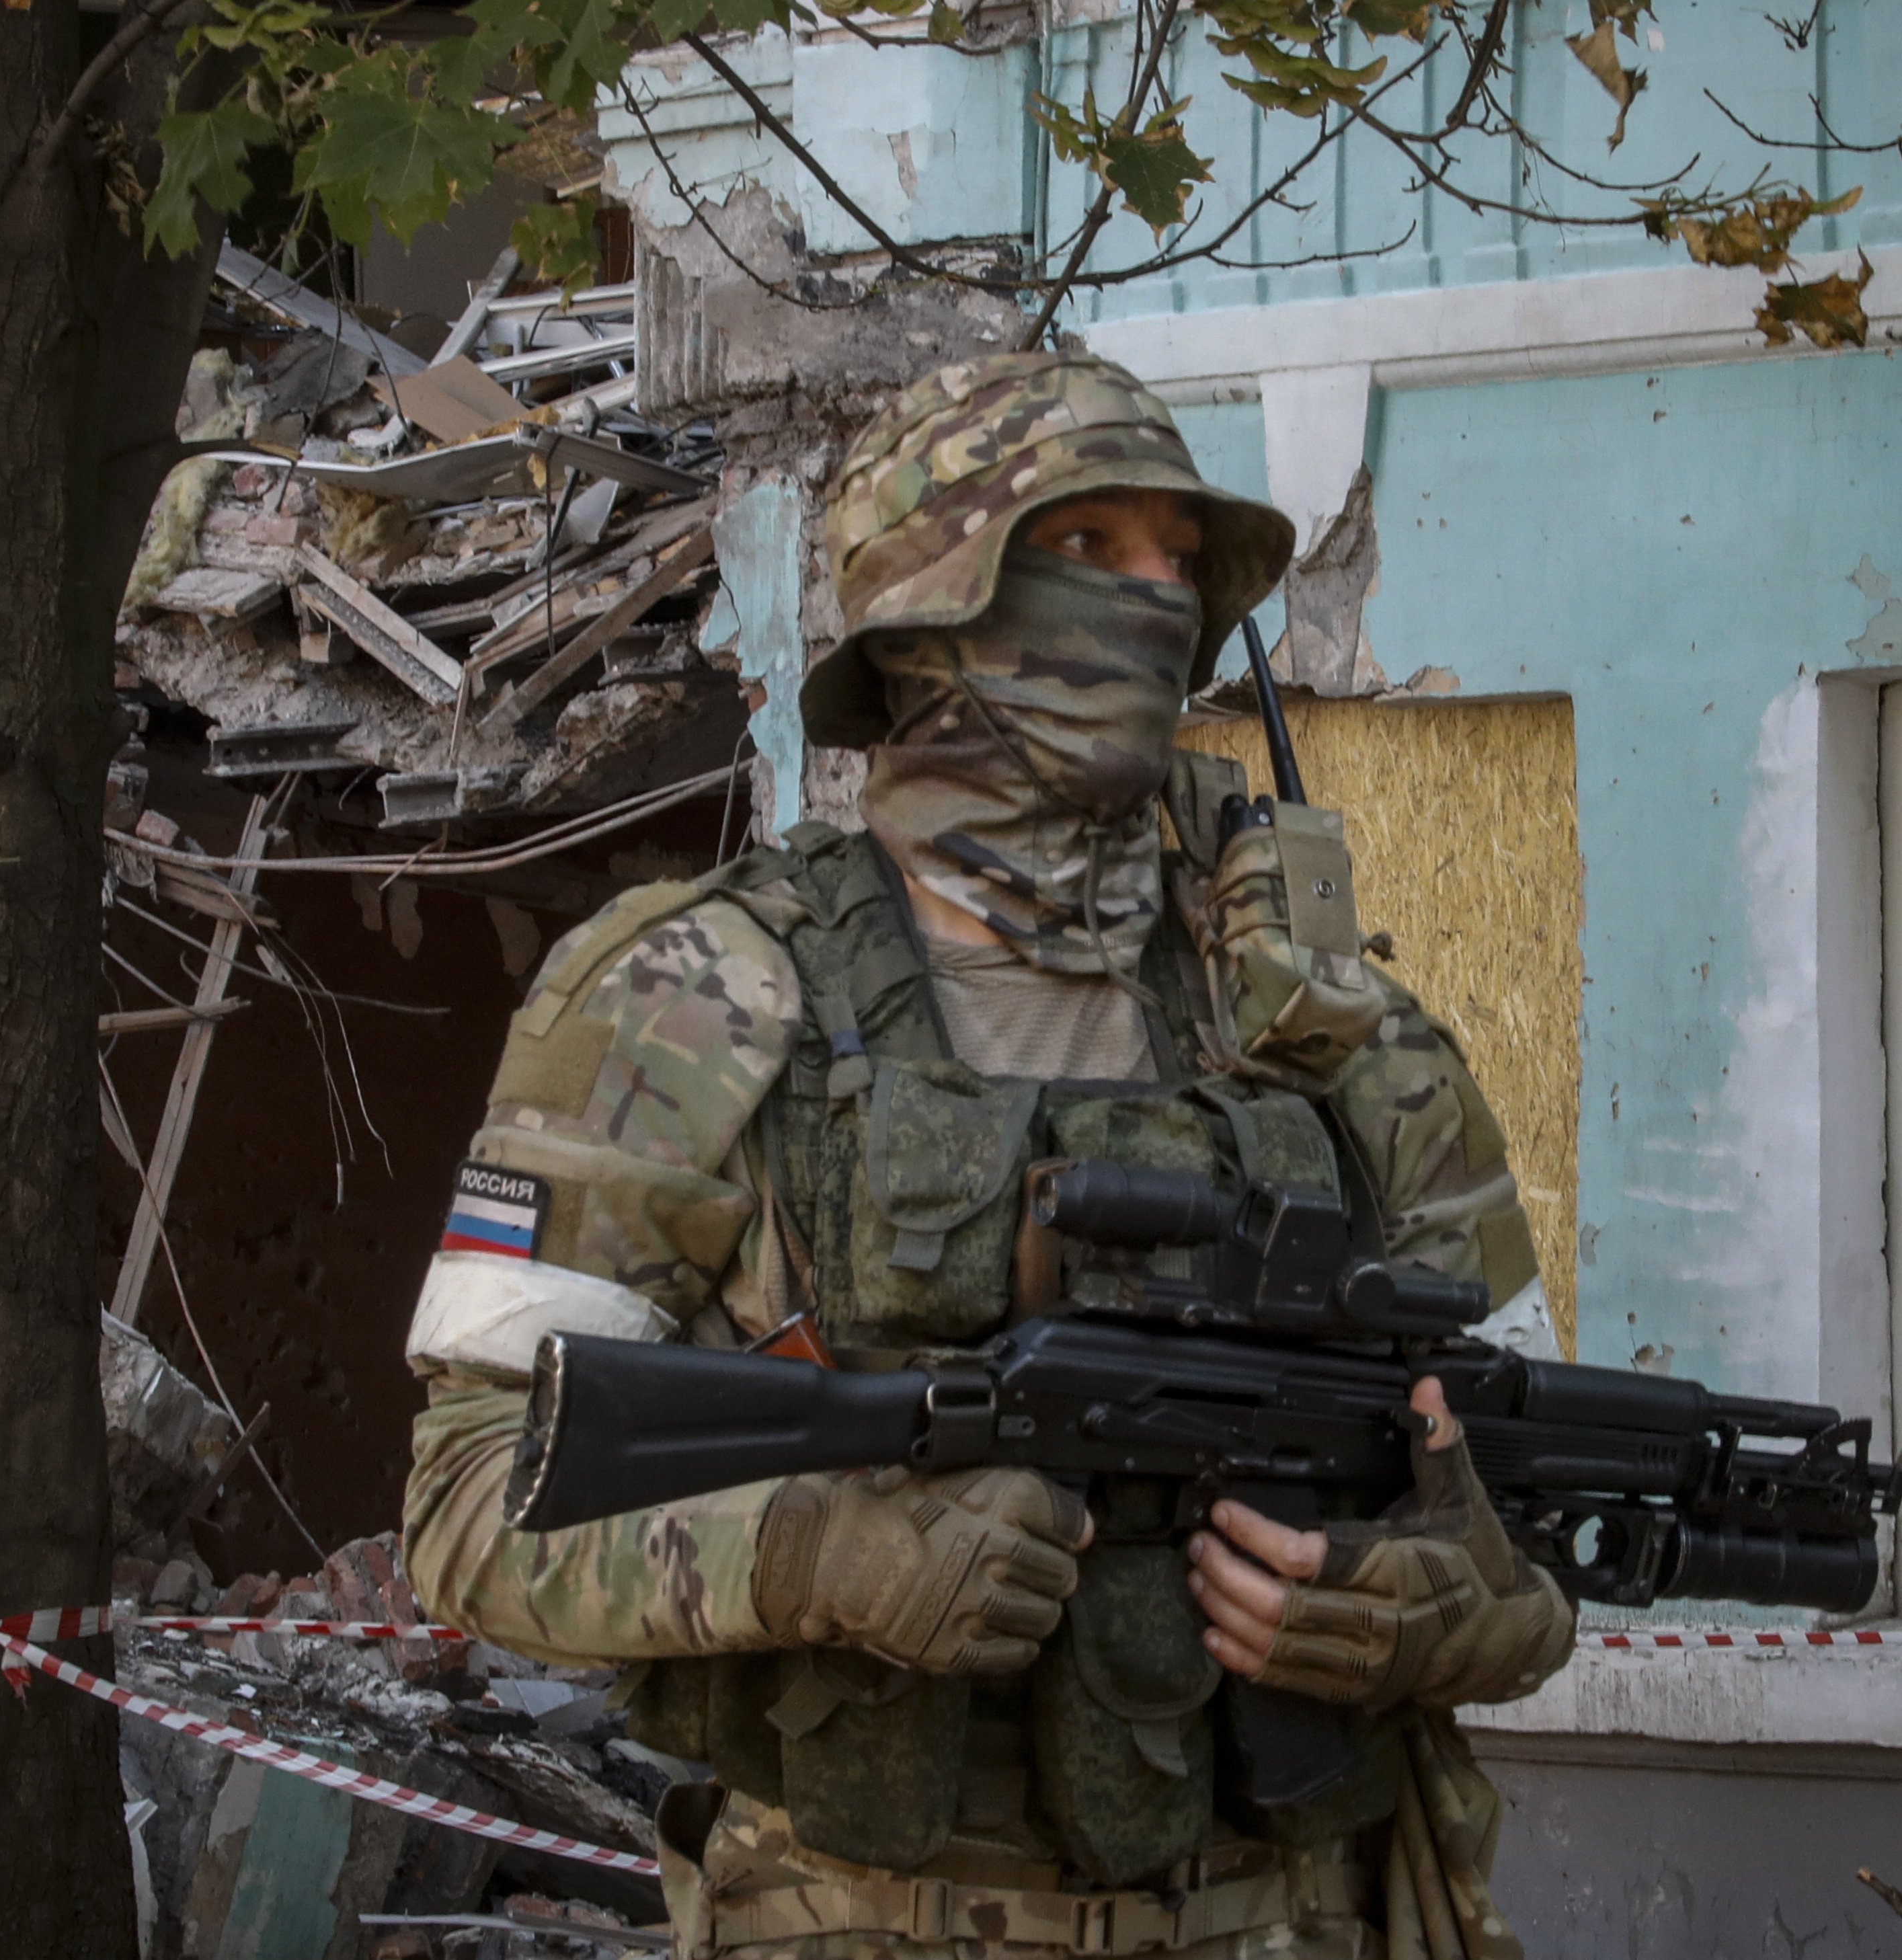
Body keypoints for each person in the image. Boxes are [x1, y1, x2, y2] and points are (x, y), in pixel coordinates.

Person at [403, 352, 1574, 1960]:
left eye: (1178, 559)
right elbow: (472, 1500)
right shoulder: (699, 993)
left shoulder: (1330, 1024)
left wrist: (1451, 1605)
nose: (1151, 597)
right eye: (1086, 549)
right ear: (928, 608)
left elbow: (1527, 1491)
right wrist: (819, 1554)